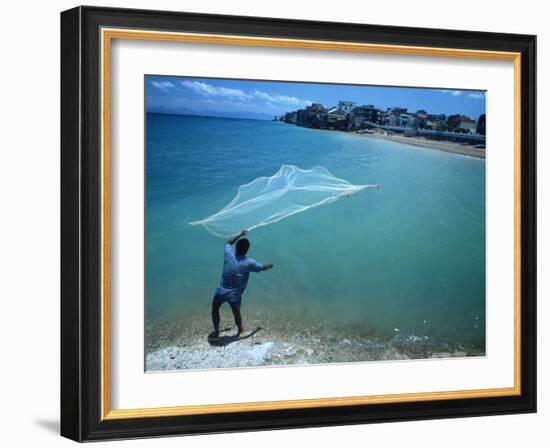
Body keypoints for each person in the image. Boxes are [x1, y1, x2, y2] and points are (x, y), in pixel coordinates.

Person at [211, 229, 273, 339]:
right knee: (236, 312)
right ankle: (240, 330)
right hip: (234, 294)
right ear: (247, 250)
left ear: (236, 248)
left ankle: (216, 332)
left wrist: (240, 234)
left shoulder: (229, 254)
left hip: (221, 290)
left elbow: (228, 243)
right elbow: (261, 268)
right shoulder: (249, 262)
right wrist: (269, 265)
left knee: (215, 309)